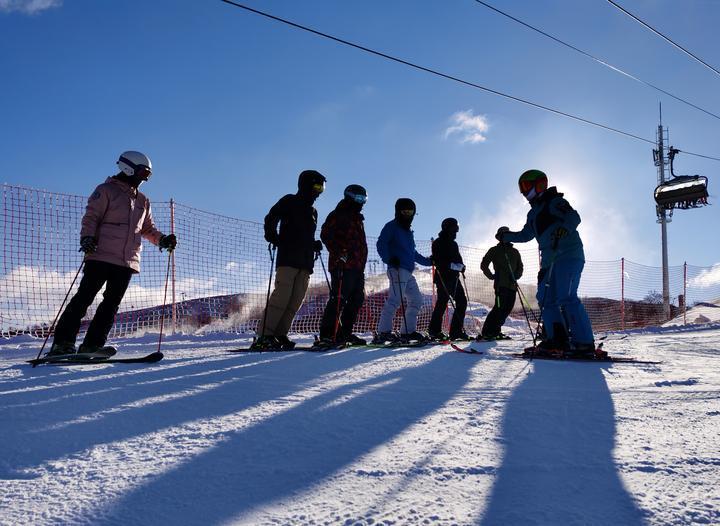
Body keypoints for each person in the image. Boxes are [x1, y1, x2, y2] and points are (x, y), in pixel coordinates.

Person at [47, 151, 177, 357]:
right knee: (84, 298)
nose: (144, 179)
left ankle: (92, 345)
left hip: (127, 261)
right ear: (128, 168)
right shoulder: (106, 190)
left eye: (148, 175)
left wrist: (162, 240)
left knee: (111, 305)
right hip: (100, 254)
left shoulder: (143, 200)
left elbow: (147, 228)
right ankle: (62, 343)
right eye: (143, 173)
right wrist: (87, 238)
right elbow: (91, 217)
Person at [499, 169, 595, 356]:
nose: (524, 191)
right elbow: (526, 235)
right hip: (549, 261)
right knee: (545, 299)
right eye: (522, 187)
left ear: (540, 184)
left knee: (567, 297)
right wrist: (505, 237)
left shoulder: (555, 201)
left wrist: (564, 229)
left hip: (568, 254)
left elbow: (574, 217)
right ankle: (557, 339)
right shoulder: (533, 213)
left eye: (527, 185)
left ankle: (584, 343)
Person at [253, 169, 326, 350]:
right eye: (317, 187)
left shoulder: (313, 211)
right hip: (288, 258)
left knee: (295, 300)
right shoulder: (289, 201)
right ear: (306, 185)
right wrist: (272, 235)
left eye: (322, 188)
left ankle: (280, 334)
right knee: (281, 297)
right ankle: (264, 335)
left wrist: (314, 244)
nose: (319, 192)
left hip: (305, 262)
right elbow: (271, 217)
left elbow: (305, 235)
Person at [374, 198, 433, 343]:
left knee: (416, 300)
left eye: (410, 212)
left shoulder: (408, 231)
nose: (407, 214)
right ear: (398, 211)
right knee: (394, 300)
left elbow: (413, 254)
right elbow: (381, 244)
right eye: (404, 211)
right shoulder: (392, 226)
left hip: (407, 272)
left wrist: (429, 261)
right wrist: (389, 258)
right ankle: (384, 332)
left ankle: (407, 332)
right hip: (397, 269)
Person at [317, 184, 369, 346]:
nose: (362, 202)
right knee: (339, 298)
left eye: (364, 199)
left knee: (357, 299)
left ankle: (344, 333)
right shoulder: (339, 214)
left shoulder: (357, 218)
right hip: (343, 264)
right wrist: (340, 252)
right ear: (350, 197)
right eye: (359, 198)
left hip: (357, 266)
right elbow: (326, 234)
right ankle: (328, 334)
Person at [428, 218, 470, 341]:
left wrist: (461, 266)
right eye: (454, 228)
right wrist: (455, 266)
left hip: (454, 277)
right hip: (443, 277)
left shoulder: (453, 243)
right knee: (443, 303)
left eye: (456, 228)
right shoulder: (438, 242)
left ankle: (454, 332)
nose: (456, 231)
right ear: (447, 228)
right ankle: (435, 331)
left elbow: (458, 259)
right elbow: (440, 261)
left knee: (460, 302)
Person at [478, 226, 523, 340]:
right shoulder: (494, 250)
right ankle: (488, 332)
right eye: (502, 235)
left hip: (512, 285)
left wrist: (516, 276)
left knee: (507, 308)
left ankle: (496, 330)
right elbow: (484, 264)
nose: (505, 237)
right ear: (499, 237)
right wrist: (491, 275)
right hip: (500, 284)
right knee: (499, 308)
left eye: (507, 235)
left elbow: (520, 267)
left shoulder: (515, 251)